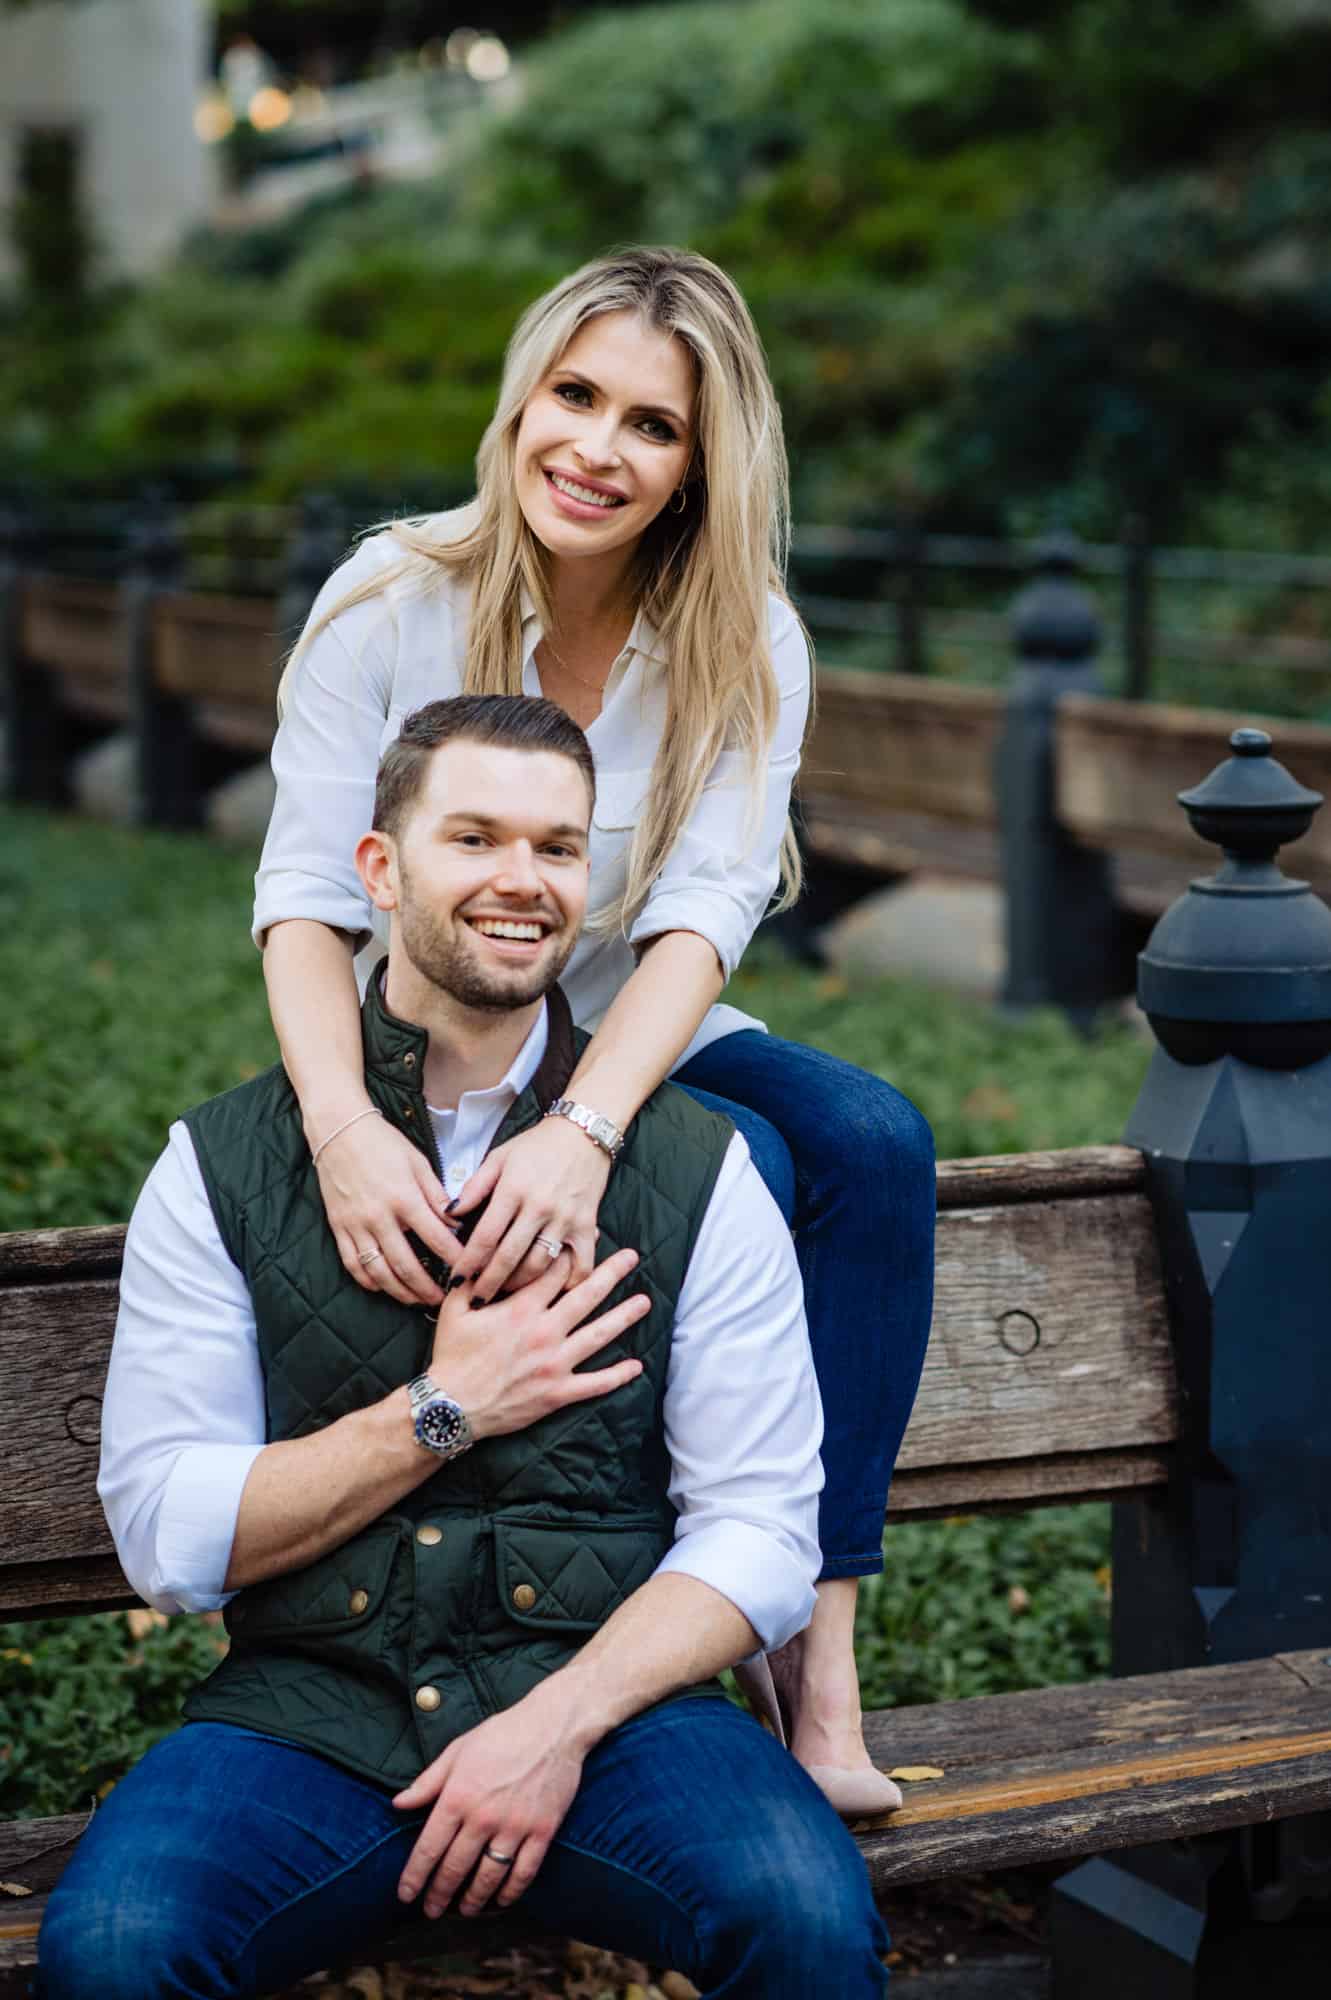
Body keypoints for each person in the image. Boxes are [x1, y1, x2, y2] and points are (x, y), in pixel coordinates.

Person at [37, 696, 888, 2000]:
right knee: (115, 1952)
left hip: (617, 1719)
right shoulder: (221, 1167)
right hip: (309, 1718)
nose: (521, 880)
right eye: (475, 837)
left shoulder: (697, 1168)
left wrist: (552, 1729)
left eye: (556, 848)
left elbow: (763, 1531)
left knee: (806, 1924)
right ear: (380, 868)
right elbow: (170, 1531)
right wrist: (444, 1406)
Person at [254, 246, 935, 1812]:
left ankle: (811, 1653)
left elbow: (706, 911)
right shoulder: (389, 599)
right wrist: (345, 1130)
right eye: (574, 396)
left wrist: (589, 1127)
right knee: (744, 1165)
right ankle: (659, 1606)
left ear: (703, 463)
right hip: (440, 1040)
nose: (597, 449)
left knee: (870, 1140)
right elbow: (302, 902)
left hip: (637, 1032)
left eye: (652, 425)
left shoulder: (742, 631)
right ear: (519, 401)